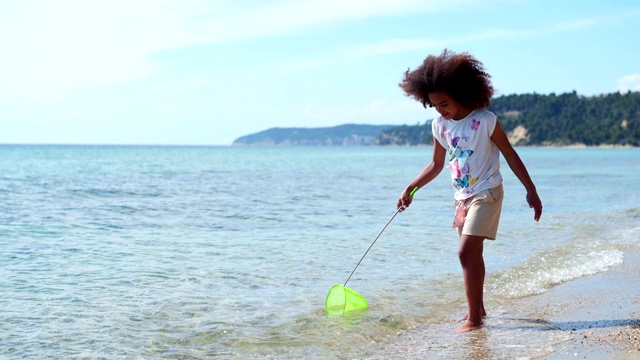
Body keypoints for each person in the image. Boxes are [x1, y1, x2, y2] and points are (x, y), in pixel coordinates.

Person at [396, 49, 543, 333]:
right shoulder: (439, 125)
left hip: (487, 192)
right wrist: (411, 188)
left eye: (445, 103)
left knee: (465, 253)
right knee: (474, 254)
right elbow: (436, 164)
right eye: (434, 105)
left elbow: (511, 155)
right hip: (462, 199)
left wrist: (531, 190)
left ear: (461, 93)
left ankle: (473, 319)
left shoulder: (486, 120)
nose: (440, 109)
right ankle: (480, 309)